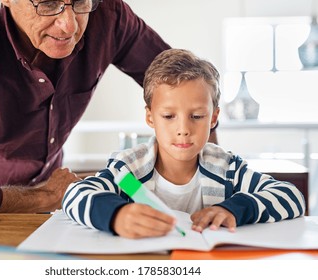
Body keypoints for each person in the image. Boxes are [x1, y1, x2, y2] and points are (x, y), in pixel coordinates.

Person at [0, 0, 183, 217]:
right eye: (48, 3)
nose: (69, 26)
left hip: (56, 198)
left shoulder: (107, 14)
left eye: (81, 1)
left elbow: (185, 82)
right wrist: (41, 197)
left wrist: (205, 178)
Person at [62, 49, 306, 239]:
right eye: (169, 117)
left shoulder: (228, 169)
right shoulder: (127, 170)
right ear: (150, 117)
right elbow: (74, 194)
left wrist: (235, 209)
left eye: (197, 116)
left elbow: (291, 196)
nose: (183, 130)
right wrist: (115, 215)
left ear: (213, 118)